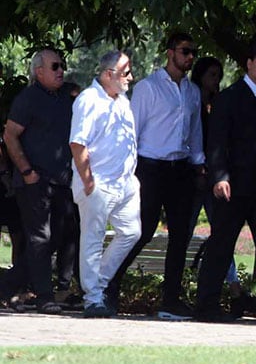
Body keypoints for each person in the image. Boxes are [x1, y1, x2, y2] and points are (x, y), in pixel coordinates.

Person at [105, 33, 205, 320]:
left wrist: (198, 162)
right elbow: (132, 130)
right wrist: (129, 168)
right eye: (185, 51)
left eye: (193, 52)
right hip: (150, 167)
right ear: (170, 52)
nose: (190, 57)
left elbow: (195, 131)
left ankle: (170, 300)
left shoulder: (192, 91)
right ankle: (110, 284)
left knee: (180, 235)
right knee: (142, 230)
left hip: (180, 167)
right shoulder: (149, 87)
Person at [194, 42, 256, 323]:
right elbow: (217, 142)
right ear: (249, 63)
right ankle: (207, 306)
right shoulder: (230, 97)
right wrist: (219, 177)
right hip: (234, 187)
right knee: (221, 246)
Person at [1, 48, 77, 314]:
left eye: (62, 66)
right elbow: (10, 135)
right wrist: (26, 171)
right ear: (39, 71)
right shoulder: (28, 98)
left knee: (59, 236)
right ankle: (44, 296)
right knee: (40, 238)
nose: (60, 71)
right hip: (35, 181)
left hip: (62, 181)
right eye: (55, 66)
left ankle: (5, 286)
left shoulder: (65, 96)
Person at [69, 50, 140, 318]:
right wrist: (89, 182)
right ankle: (92, 299)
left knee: (132, 232)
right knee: (92, 240)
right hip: (98, 183)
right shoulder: (89, 99)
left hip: (125, 183)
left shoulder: (122, 100)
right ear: (108, 74)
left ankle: (97, 285)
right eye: (126, 73)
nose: (131, 78)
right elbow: (78, 143)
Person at [186, 56, 247, 305]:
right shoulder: (190, 103)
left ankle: (233, 287)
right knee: (184, 233)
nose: (216, 81)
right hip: (192, 178)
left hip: (213, 178)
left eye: (218, 76)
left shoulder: (219, 105)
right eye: (212, 75)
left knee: (222, 233)